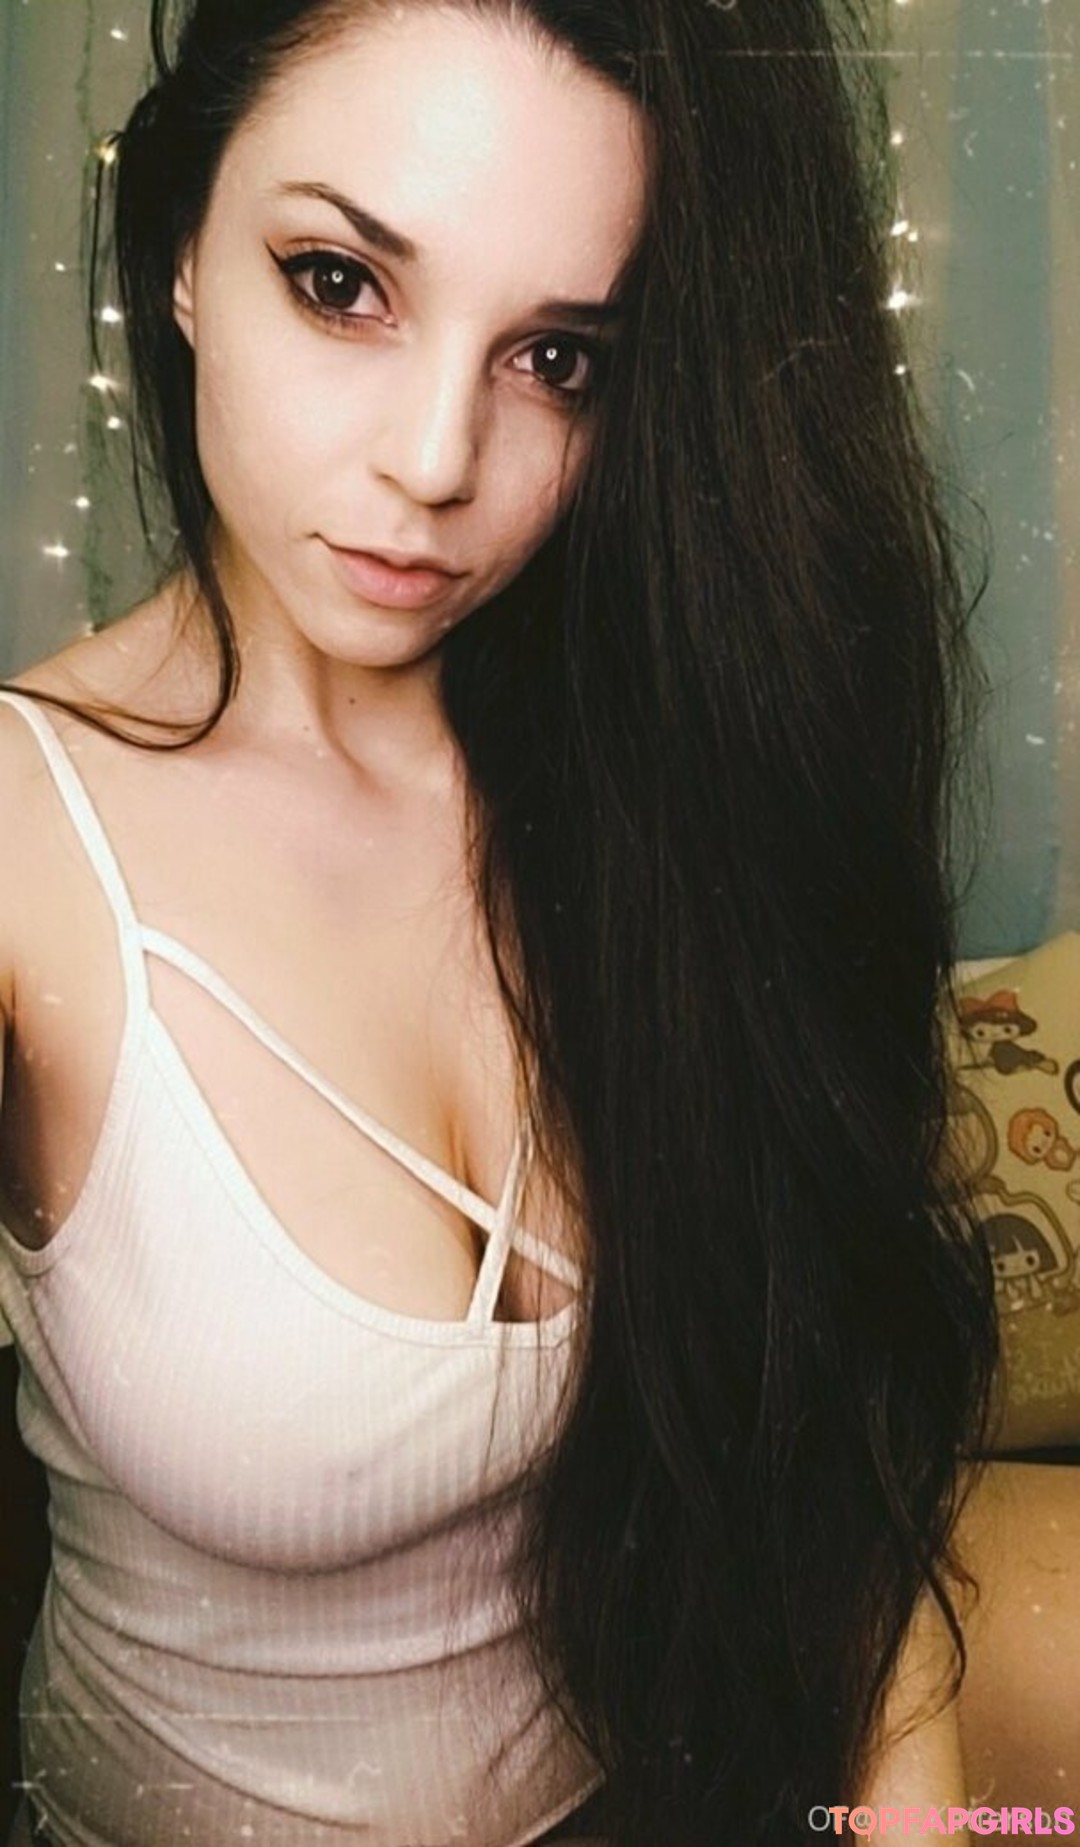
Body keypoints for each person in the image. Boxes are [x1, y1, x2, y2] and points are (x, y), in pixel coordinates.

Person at [0, 1, 997, 1842]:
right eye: (339, 284)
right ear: (187, 252)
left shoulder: (659, 772)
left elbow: (834, 1440)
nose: (438, 459)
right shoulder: (26, 843)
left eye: (555, 357)